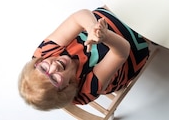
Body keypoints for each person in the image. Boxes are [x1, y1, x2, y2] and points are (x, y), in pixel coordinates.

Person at [18, 7, 149, 110]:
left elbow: (78, 17)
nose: (54, 67)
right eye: (53, 78)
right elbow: (122, 52)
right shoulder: (87, 90)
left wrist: (92, 28)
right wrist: (104, 36)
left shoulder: (43, 54)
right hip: (130, 47)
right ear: (66, 88)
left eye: (43, 68)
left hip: (103, 22)